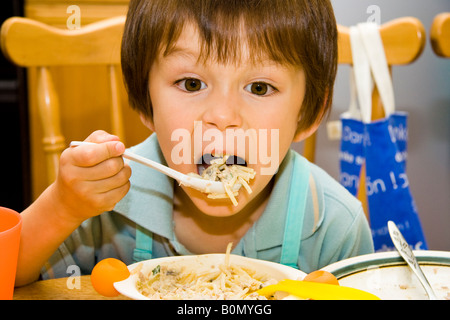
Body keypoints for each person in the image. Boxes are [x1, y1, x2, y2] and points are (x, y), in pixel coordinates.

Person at [15, 0, 373, 287]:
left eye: (260, 87)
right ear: (146, 99)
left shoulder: (334, 226)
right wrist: (62, 207)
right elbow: (10, 275)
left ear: (308, 114)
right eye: (190, 84)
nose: (221, 115)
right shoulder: (104, 199)